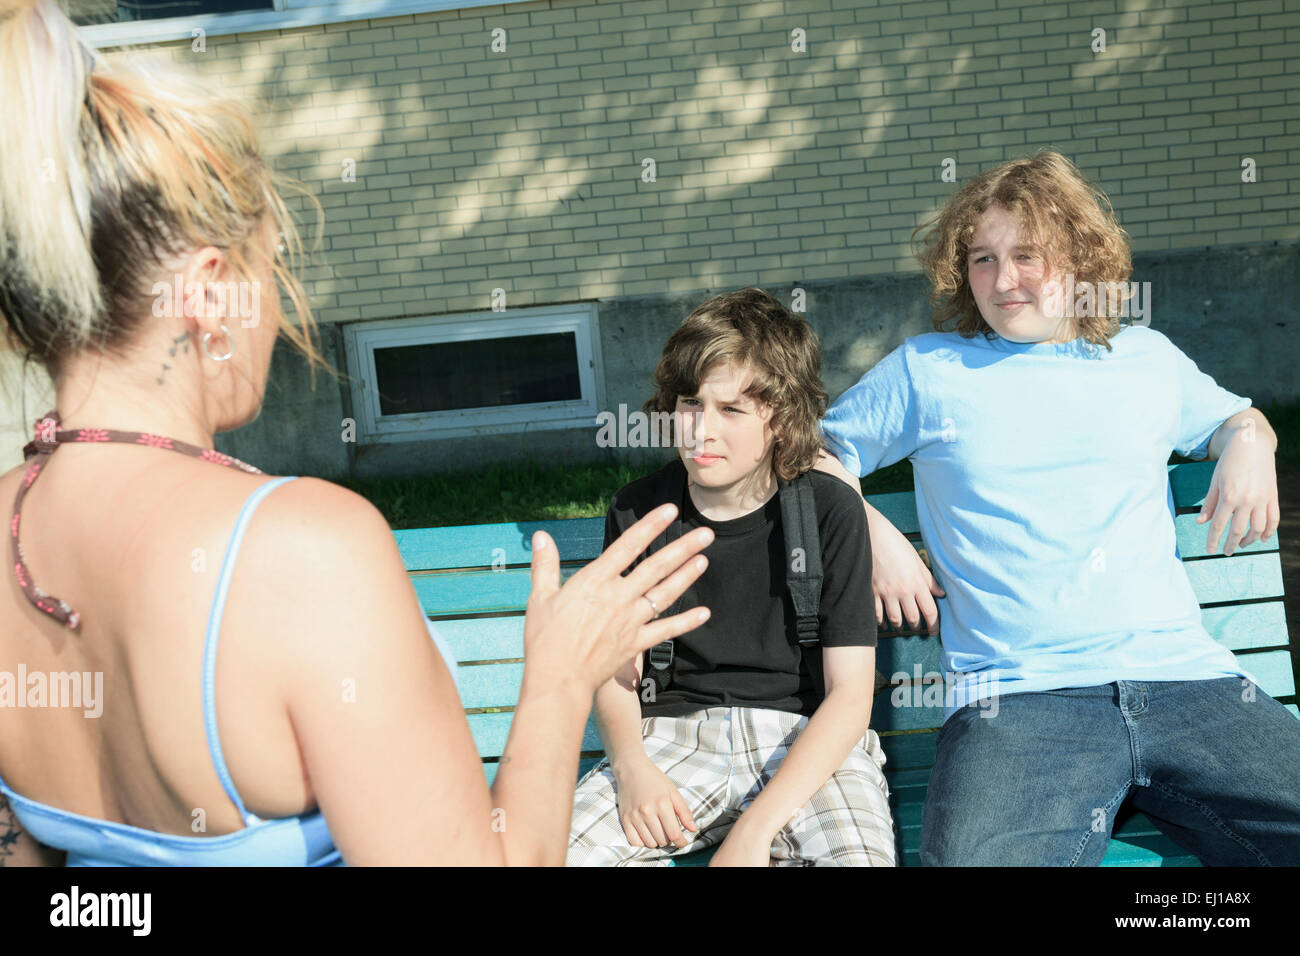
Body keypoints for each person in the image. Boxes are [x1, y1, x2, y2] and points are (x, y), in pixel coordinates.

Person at [0, 0, 715, 867]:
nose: (278, 314)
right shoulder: (298, 550)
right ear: (209, 290)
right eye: (275, 267)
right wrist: (561, 678)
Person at [814, 149, 1300, 866]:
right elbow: (805, 452)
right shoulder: (930, 370)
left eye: (1027, 255)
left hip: (1191, 686)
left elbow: (1234, 419)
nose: (1002, 280)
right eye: (982, 259)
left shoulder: (1146, 359)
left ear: (1078, 258)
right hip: (1019, 703)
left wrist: (1253, 434)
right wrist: (867, 525)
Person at [566, 288, 896, 867]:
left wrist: (754, 831)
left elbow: (848, 696)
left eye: (732, 409)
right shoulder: (640, 511)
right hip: (670, 740)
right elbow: (614, 671)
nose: (701, 430)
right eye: (691, 403)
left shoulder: (826, 509)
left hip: (808, 743)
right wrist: (630, 765)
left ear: (782, 419)